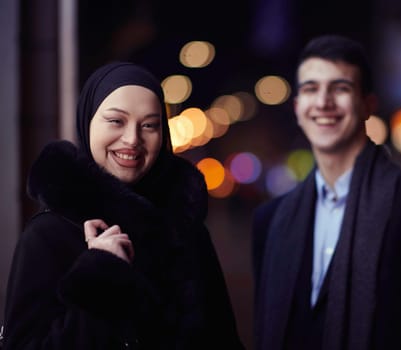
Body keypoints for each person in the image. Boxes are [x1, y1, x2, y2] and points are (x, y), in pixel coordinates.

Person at [252, 34, 401, 350]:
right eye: (311, 89)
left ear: (367, 105)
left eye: (340, 88)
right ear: (297, 108)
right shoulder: (270, 221)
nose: (323, 102)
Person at [3, 62, 245, 349]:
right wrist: (101, 273)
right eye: (116, 121)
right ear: (87, 122)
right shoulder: (48, 235)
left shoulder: (185, 229)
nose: (132, 139)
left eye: (149, 125)